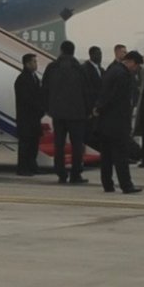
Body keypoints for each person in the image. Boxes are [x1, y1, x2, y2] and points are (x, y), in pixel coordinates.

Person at [42, 40, 94, 185]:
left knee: (59, 144)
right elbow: (87, 91)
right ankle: (76, 174)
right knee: (77, 145)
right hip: (77, 113)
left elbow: (45, 89)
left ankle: (61, 173)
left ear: (61, 50)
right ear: (73, 51)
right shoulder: (79, 68)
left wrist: (48, 108)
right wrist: (89, 110)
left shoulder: (52, 67)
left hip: (57, 113)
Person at [95, 44, 141, 193]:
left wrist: (99, 109)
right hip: (118, 122)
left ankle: (107, 184)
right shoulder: (123, 75)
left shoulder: (111, 70)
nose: (136, 70)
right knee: (120, 155)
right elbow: (117, 98)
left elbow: (104, 95)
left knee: (106, 156)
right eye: (137, 66)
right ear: (132, 62)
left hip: (105, 122)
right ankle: (126, 185)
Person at [12, 52, 44, 178]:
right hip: (26, 117)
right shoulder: (22, 79)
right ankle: (22, 167)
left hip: (34, 117)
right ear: (27, 64)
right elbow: (27, 99)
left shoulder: (34, 77)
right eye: (33, 62)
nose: (36, 64)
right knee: (25, 144)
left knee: (34, 143)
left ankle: (32, 166)